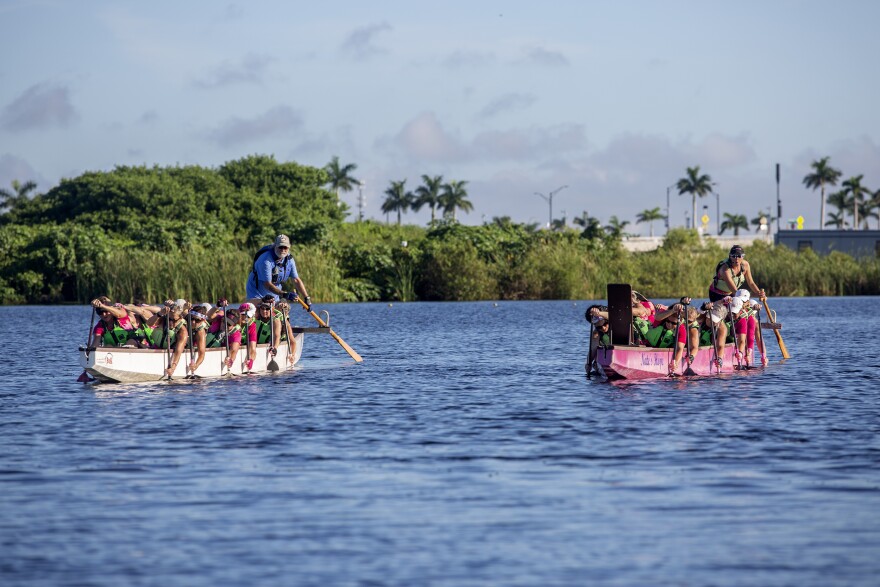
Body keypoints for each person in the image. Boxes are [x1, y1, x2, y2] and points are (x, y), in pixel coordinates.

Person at [246, 234, 312, 310]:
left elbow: (296, 280)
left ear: (289, 247)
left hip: (275, 294)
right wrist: (285, 294)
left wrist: (306, 298)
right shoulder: (265, 260)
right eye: (280, 247)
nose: (283, 250)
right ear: (275, 246)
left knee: (282, 312)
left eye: (285, 247)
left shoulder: (290, 260)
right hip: (257, 293)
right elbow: (267, 284)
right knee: (263, 310)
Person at [186, 305, 210, 377]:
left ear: (203, 320)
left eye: (197, 320)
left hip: (196, 345)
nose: (193, 322)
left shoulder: (201, 332)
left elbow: (201, 354)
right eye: (192, 319)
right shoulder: (187, 318)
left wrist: (196, 365)